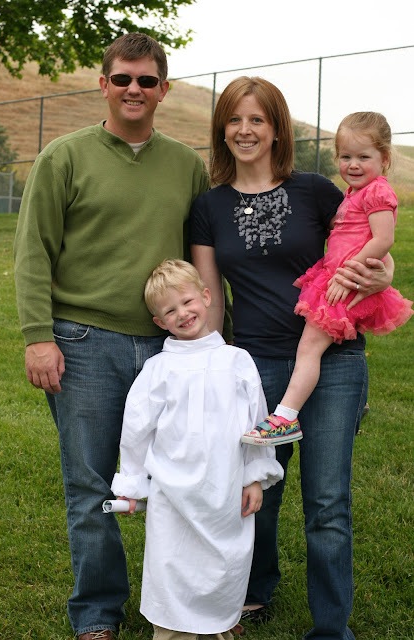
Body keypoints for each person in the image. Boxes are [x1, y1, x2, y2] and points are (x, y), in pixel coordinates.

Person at [13, 33, 209, 640]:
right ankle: (98, 613)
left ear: (163, 90)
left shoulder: (186, 165)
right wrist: (38, 336)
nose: (133, 89)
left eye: (146, 80)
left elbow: (205, 257)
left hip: (168, 347)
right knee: (92, 485)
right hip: (82, 343)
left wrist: (215, 341)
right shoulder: (64, 157)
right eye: (122, 78)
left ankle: (186, 605)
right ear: (104, 84)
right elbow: (33, 253)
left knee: (184, 481)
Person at [189, 77, 395, 640]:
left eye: (257, 119)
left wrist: (385, 273)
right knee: (259, 489)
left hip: (334, 360)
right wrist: (210, 364)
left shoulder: (316, 191)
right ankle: (253, 594)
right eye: (234, 120)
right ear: (222, 129)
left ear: (277, 128)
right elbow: (211, 299)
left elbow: (364, 246)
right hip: (254, 364)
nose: (245, 130)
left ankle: (331, 627)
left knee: (327, 501)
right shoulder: (209, 206)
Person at [110, 259, 284, 640]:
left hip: (225, 487)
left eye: (187, 301)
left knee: (223, 563)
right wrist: (132, 484)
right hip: (172, 494)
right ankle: (172, 632)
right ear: (159, 322)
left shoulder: (236, 361)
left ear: (206, 296)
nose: (182, 314)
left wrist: (255, 476)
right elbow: (136, 429)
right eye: (170, 311)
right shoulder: (157, 369)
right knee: (171, 562)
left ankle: (216, 628)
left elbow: (257, 422)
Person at [242, 111, 412, 447]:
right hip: (335, 276)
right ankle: (330, 406)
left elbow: (383, 240)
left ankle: (285, 417)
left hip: (345, 282)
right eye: (345, 156)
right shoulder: (355, 192)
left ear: (384, 158)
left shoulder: (377, 192)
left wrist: (347, 274)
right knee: (311, 347)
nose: (353, 164)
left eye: (364, 157)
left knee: (308, 347)